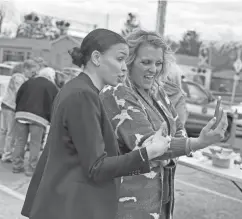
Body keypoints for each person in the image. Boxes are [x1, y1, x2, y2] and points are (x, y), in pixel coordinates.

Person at [21, 28, 170, 219]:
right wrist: (148, 154)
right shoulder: (83, 96)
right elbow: (96, 168)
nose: (124, 67)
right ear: (97, 58)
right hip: (72, 207)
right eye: (120, 59)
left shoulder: (78, 89)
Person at [99, 30, 228, 219]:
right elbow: (150, 146)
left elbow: (179, 130)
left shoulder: (157, 91)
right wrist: (196, 143)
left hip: (161, 195)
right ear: (128, 61)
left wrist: (170, 151)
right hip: (129, 201)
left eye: (158, 63)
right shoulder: (117, 93)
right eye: (146, 62)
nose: (154, 69)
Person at [12, 67, 59, 176]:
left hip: (21, 114)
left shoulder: (28, 82)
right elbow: (56, 104)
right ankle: (31, 169)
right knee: (35, 144)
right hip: (39, 118)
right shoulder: (51, 87)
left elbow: (18, 96)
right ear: (51, 76)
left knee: (20, 141)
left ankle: (16, 166)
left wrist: (18, 110)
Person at [0, 60, 38, 162]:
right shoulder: (19, 78)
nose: (33, 74)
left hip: (5, 105)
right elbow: (20, 92)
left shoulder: (16, 76)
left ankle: (2, 151)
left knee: (4, 131)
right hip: (11, 107)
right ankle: (7, 155)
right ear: (25, 69)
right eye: (32, 72)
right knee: (10, 133)